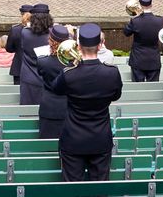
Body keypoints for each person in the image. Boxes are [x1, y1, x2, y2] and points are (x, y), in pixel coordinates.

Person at [48, 23, 122, 181]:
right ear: (100, 45)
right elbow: (115, 96)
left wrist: (72, 65)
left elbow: (55, 89)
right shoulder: (112, 72)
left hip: (73, 139)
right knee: (100, 188)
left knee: (73, 189)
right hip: (101, 138)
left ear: (79, 46)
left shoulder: (69, 73)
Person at [34, 24, 71, 138]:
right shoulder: (73, 63)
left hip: (48, 107)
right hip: (69, 107)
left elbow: (41, 73)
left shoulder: (43, 62)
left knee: (47, 146)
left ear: (50, 41)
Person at [124, 0, 163, 81]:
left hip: (138, 60)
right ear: (151, 4)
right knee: (153, 89)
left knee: (137, 88)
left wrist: (133, 18)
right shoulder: (160, 20)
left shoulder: (135, 21)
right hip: (153, 60)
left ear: (140, 4)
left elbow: (126, 32)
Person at [17, 4, 53, 105]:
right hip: (48, 76)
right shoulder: (53, 34)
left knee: (28, 112)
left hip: (29, 76)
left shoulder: (25, 33)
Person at [7, 6, 31, 86]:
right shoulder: (39, 29)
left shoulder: (15, 29)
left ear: (21, 14)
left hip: (19, 66)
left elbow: (9, 48)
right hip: (35, 67)